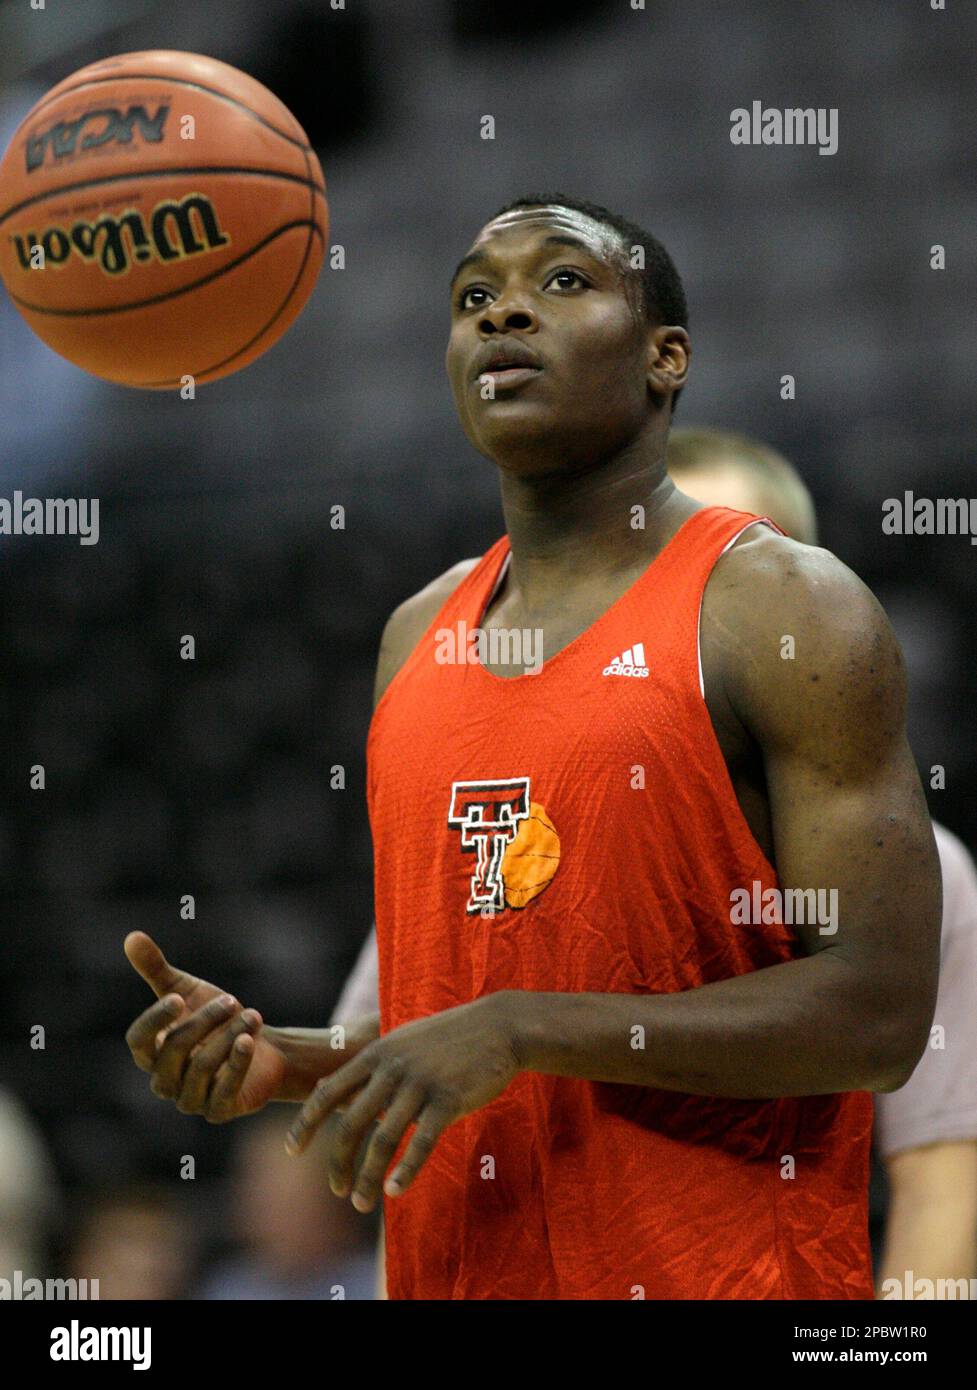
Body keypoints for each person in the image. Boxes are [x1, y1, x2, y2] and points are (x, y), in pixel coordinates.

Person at [124, 194, 941, 1300]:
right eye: (473, 298)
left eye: (560, 282)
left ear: (665, 357)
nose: (503, 313)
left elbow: (877, 1016)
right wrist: (286, 1062)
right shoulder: (415, 634)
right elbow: (455, 1028)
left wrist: (520, 1029)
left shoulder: (784, 608)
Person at [332, 425, 977, 1300]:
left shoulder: (916, 869)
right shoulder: (491, 820)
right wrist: (274, 1062)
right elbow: (412, 1072)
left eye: (724, 547)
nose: (680, 576)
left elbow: (941, 1178)